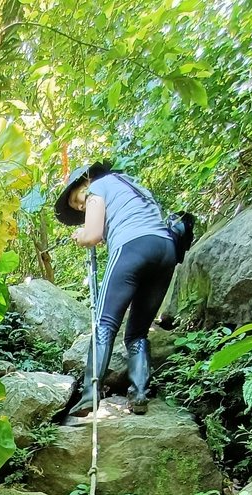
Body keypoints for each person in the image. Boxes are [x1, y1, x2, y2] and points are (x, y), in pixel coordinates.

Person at [54, 161, 176, 415]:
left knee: (104, 323)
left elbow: (93, 235)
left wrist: (81, 236)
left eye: (77, 199)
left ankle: (90, 393)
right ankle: (139, 393)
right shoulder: (132, 186)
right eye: (77, 206)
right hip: (166, 249)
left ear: (84, 183)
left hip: (132, 248)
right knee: (137, 332)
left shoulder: (97, 188)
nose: (79, 206)